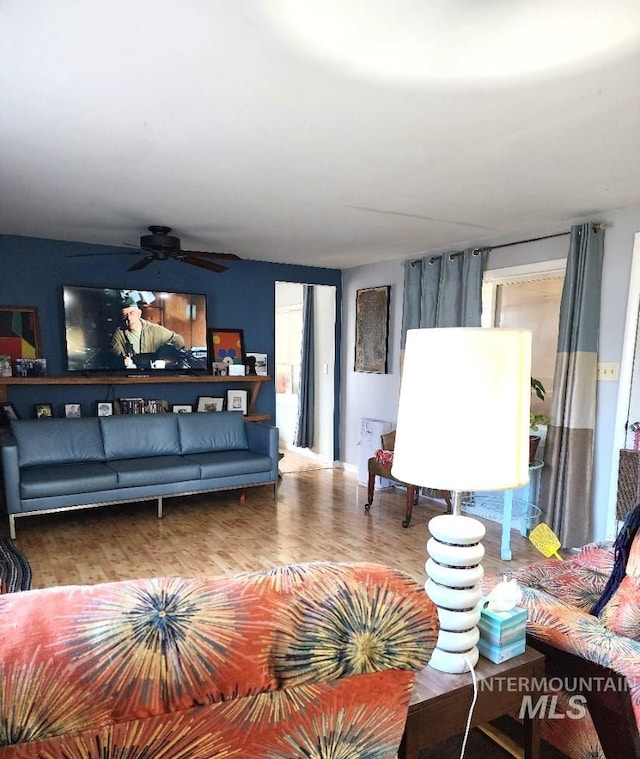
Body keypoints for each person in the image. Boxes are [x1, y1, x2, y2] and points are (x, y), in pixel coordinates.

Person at [111, 297, 186, 369]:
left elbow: (178, 341)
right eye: (125, 315)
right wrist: (123, 362)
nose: (129, 319)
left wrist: (165, 361)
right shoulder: (119, 333)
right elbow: (113, 357)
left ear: (139, 313)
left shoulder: (154, 330)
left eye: (132, 313)